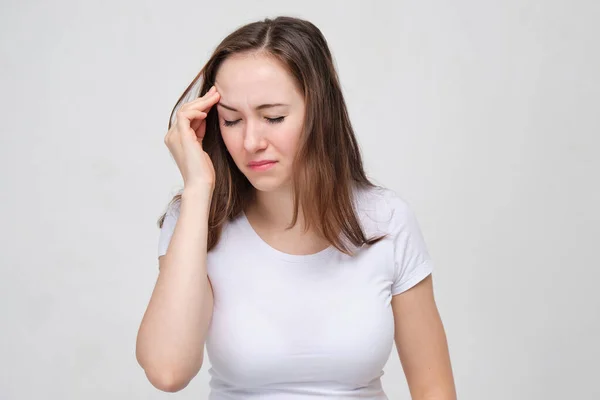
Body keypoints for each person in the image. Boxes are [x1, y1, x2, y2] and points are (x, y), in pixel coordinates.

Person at [136, 16, 456, 400]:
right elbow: (167, 370)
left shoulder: (386, 219)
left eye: (273, 117)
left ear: (319, 113)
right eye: (232, 120)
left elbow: (434, 388)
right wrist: (198, 188)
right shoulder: (196, 220)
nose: (251, 141)